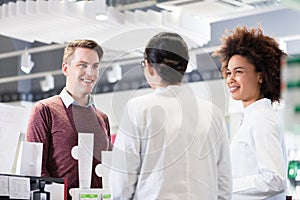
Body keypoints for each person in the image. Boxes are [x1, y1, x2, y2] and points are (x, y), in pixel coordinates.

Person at [109, 32, 232, 200]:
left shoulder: (138, 109)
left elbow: (122, 183)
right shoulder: (213, 113)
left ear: (149, 66)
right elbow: (224, 184)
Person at [26, 39, 112, 200]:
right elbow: (37, 171)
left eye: (95, 66)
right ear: (66, 68)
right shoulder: (45, 110)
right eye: (83, 65)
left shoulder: (102, 118)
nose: (90, 73)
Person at [213, 26, 287, 199]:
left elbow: (275, 179)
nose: (231, 78)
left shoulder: (262, 118)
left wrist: (225, 185)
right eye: (229, 72)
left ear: (261, 76)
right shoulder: (252, 117)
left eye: (239, 72)